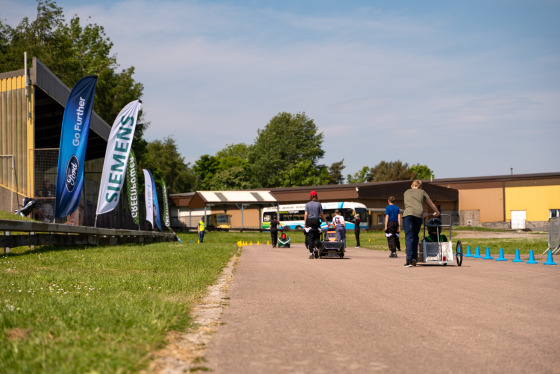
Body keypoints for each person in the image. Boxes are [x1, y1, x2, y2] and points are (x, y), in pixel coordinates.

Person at [402, 180, 440, 267]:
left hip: (408, 215)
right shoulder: (422, 192)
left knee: (409, 237)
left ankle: (409, 260)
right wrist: (437, 212)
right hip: (418, 215)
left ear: (411, 186)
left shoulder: (406, 192)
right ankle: (414, 258)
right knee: (415, 236)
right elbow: (431, 203)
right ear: (421, 187)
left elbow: (410, 205)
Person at [304, 190, 329, 259]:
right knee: (317, 236)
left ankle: (311, 253)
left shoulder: (307, 204)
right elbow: (322, 214)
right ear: (316, 196)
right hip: (316, 221)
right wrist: (327, 222)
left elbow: (306, 214)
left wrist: (305, 224)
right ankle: (316, 248)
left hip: (309, 221)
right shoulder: (319, 204)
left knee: (310, 237)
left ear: (310, 196)